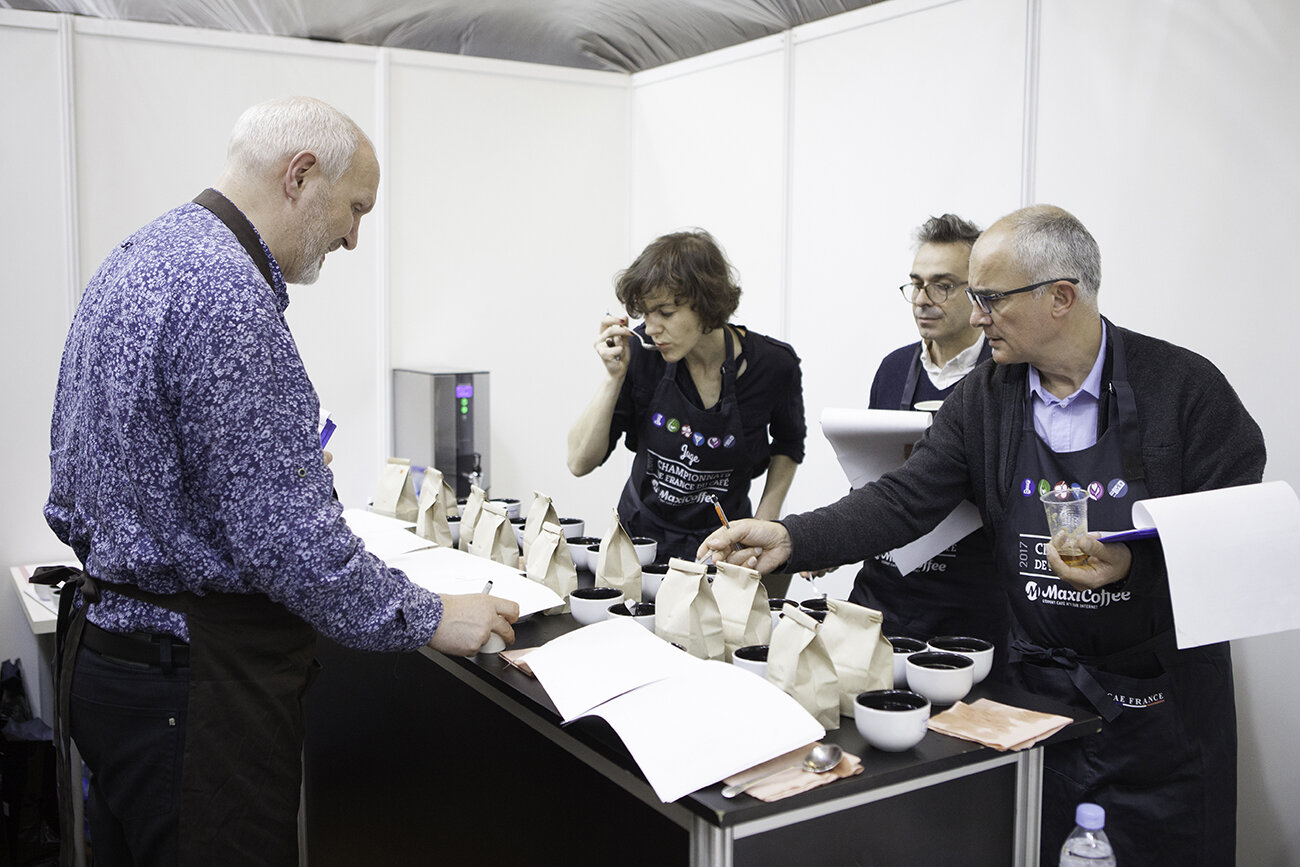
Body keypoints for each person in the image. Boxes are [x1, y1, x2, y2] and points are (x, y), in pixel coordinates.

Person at [700, 205, 1263, 866]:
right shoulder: (989, 395)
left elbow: (1233, 537)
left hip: (1160, 709)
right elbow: (906, 498)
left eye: (990, 298)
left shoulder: (1185, 390)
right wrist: (791, 537)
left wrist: (1133, 566)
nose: (976, 315)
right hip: (1034, 696)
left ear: (1061, 297)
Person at [44, 96, 519, 866]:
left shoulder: (137, 256)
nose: (354, 237)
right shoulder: (228, 295)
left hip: (112, 664)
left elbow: (78, 481)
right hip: (197, 695)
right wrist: (430, 614)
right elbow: (292, 548)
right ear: (300, 175)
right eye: (355, 208)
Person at [567, 229, 806, 561]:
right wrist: (613, 378)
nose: (651, 328)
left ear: (706, 305)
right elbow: (579, 462)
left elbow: (789, 444)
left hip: (725, 546)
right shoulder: (641, 354)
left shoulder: (773, 365)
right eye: (645, 314)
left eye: (665, 313)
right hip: (640, 542)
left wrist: (764, 522)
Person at [852, 214, 1007, 659]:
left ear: (977, 292)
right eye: (917, 284)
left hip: (968, 603)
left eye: (942, 286)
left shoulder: (1005, 377)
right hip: (884, 592)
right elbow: (872, 474)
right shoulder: (893, 368)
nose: (922, 300)